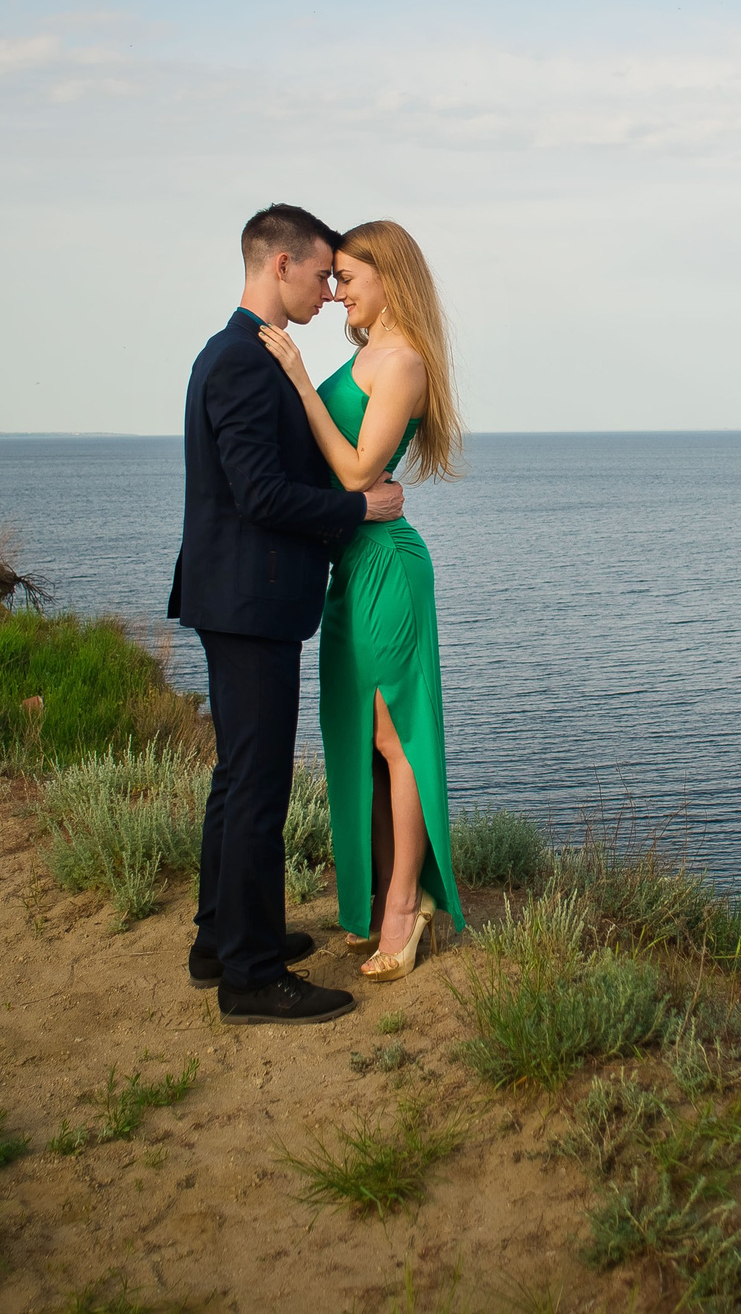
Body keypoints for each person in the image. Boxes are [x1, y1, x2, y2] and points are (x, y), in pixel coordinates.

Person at [169, 203, 406, 1026]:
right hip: (247, 600)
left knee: (238, 776)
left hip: (238, 596)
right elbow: (259, 493)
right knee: (258, 782)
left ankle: (223, 938)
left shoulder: (245, 354)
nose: (327, 290)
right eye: (318, 273)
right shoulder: (239, 360)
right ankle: (251, 977)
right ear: (280, 264)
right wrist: (360, 509)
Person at [255, 219, 465, 983]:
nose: (336, 287)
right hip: (352, 566)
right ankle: (381, 898)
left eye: (347, 274)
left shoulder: (403, 361)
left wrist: (302, 384)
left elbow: (350, 475)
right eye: (334, 275)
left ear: (390, 276)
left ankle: (407, 909)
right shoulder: (367, 355)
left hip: (386, 569)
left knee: (393, 739)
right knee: (360, 740)